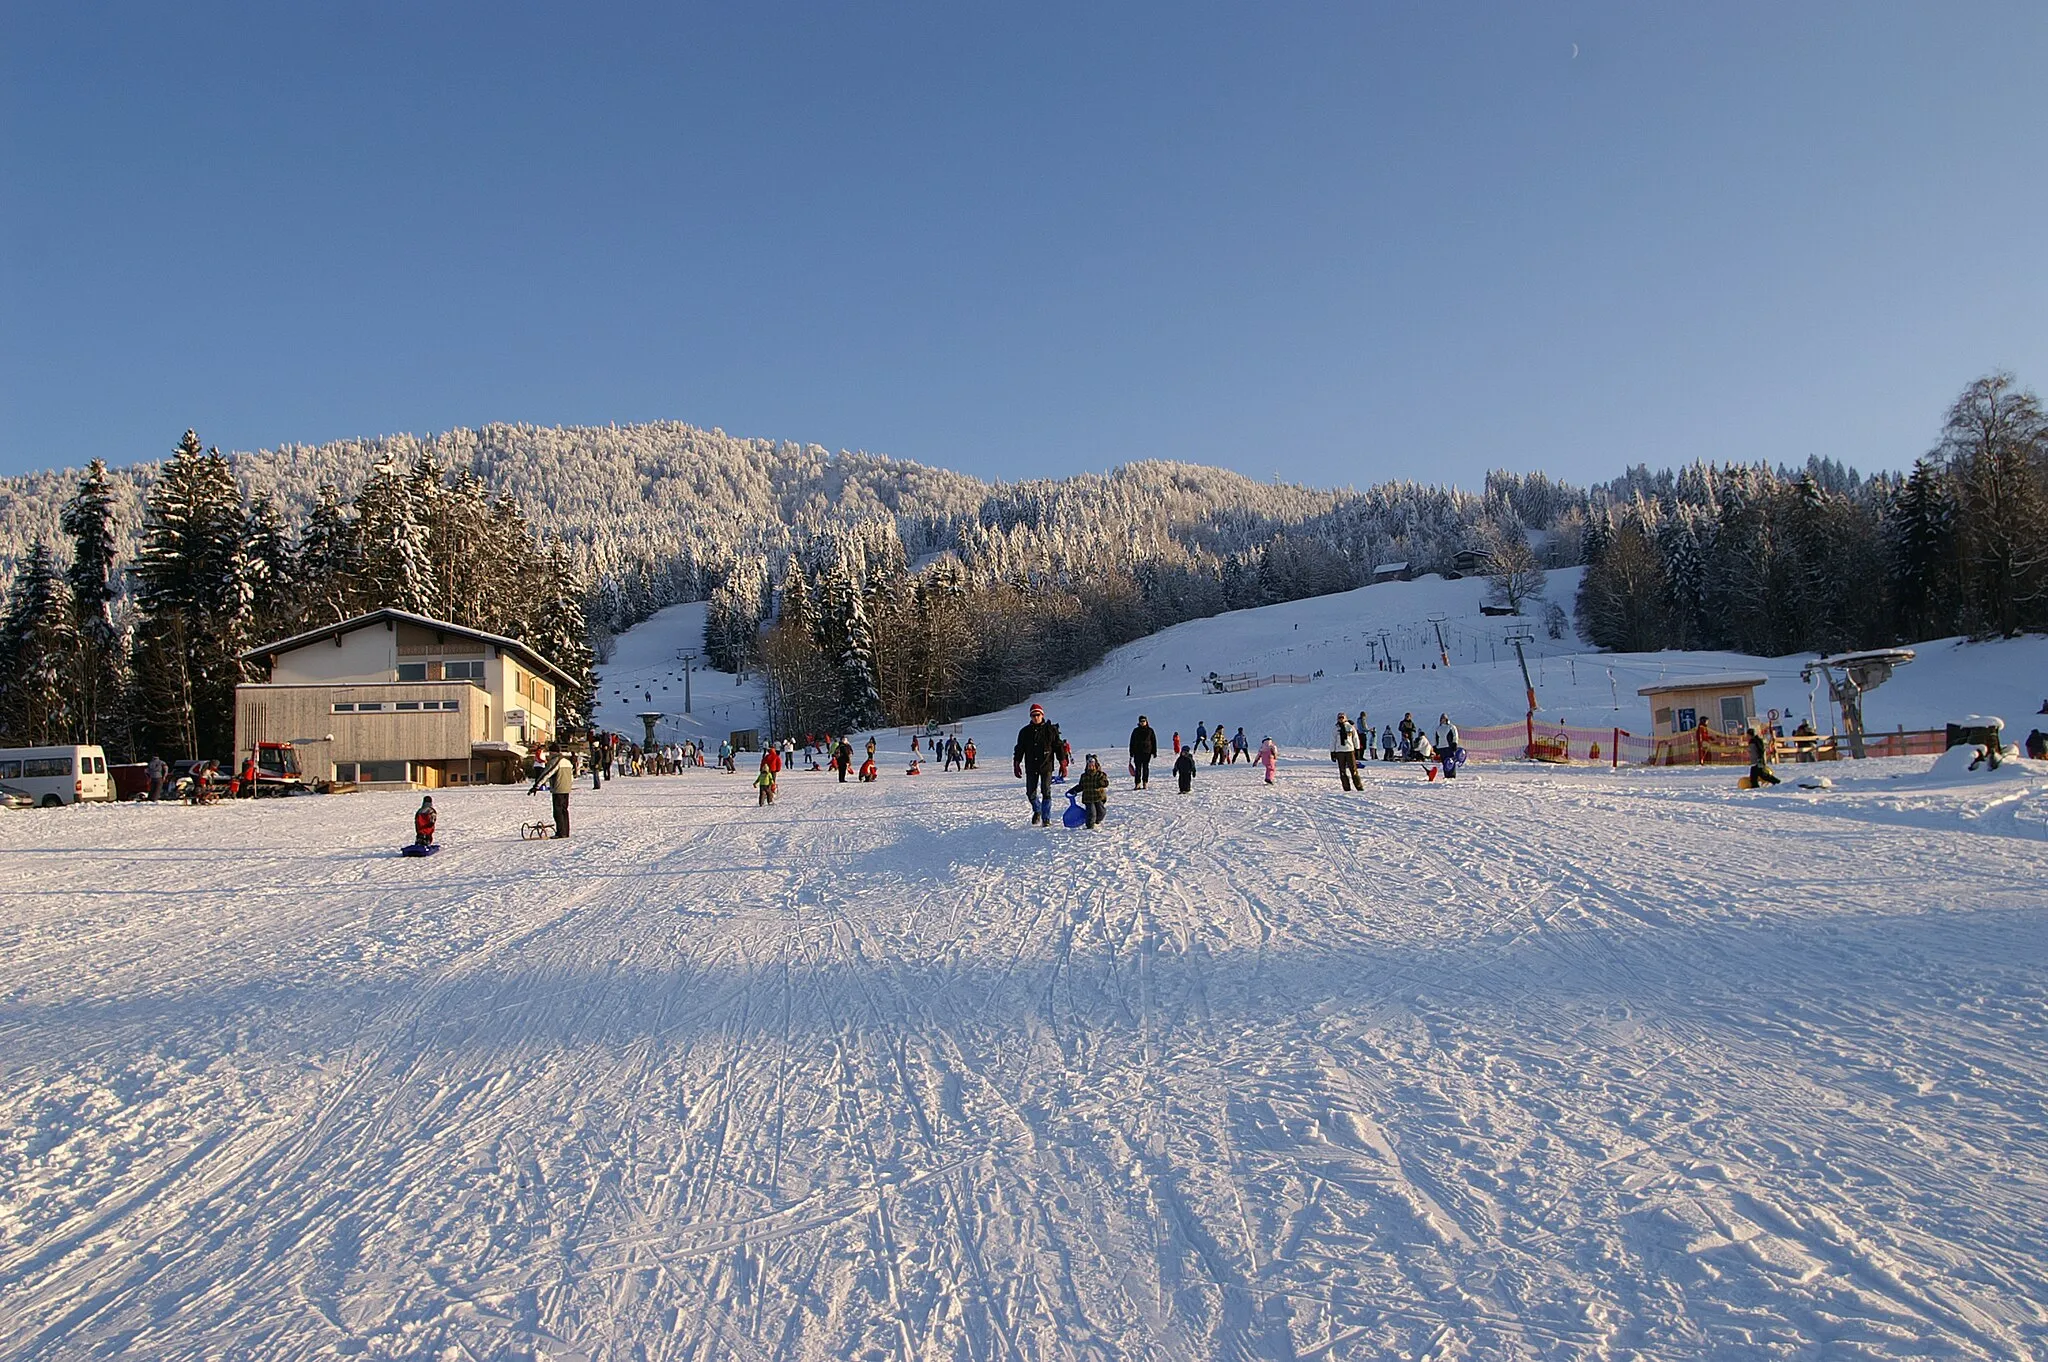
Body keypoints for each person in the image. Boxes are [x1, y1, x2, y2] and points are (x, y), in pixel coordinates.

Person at [1013, 702, 1065, 827]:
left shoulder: (1050, 730)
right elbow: (1020, 748)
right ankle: (1037, 810)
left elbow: (1058, 747)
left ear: (1042, 715)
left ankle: (1046, 818)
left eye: (1038, 715)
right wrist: (1016, 763)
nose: (1036, 717)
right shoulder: (1024, 732)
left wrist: (1063, 762)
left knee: (1046, 791)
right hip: (1031, 766)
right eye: (1033, 715)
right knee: (1030, 793)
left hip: (1046, 765)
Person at [528, 743, 575, 838]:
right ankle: (565, 832)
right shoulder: (567, 761)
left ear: (553, 752)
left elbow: (546, 774)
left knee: (557, 812)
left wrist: (536, 786)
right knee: (564, 811)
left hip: (558, 789)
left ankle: (561, 833)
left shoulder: (555, 761)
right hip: (566, 789)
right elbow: (571, 777)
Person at [1068, 753, 1109, 829]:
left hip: (1098, 797)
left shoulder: (1100, 774)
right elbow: (1081, 786)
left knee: (1101, 812)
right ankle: (1089, 826)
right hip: (1088, 798)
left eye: (1092, 765)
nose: (1091, 766)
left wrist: (1101, 783)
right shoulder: (1084, 776)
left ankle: (1096, 821)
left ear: (1095, 765)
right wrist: (1073, 790)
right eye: (1089, 765)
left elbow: (1106, 783)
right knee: (1091, 813)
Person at [1128, 715, 1158, 790]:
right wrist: (1131, 752)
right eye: (1141, 721)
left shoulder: (1150, 730)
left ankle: (1145, 782)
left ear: (1146, 721)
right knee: (1138, 768)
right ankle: (1137, 783)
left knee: (1145, 768)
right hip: (1137, 752)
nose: (1142, 723)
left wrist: (1154, 752)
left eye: (1144, 721)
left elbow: (1154, 741)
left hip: (1147, 752)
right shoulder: (1135, 731)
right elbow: (1132, 742)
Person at [1333, 712, 1361, 791]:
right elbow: (1333, 741)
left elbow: (1355, 738)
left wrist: (1357, 749)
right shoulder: (1336, 729)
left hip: (1349, 750)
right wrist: (1333, 752)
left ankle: (1359, 786)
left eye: (1342, 718)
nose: (1341, 719)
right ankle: (1346, 788)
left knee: (1353, 770)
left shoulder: (1350, 727)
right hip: (1340, 751)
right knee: (1342, 771)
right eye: (1339, 718)